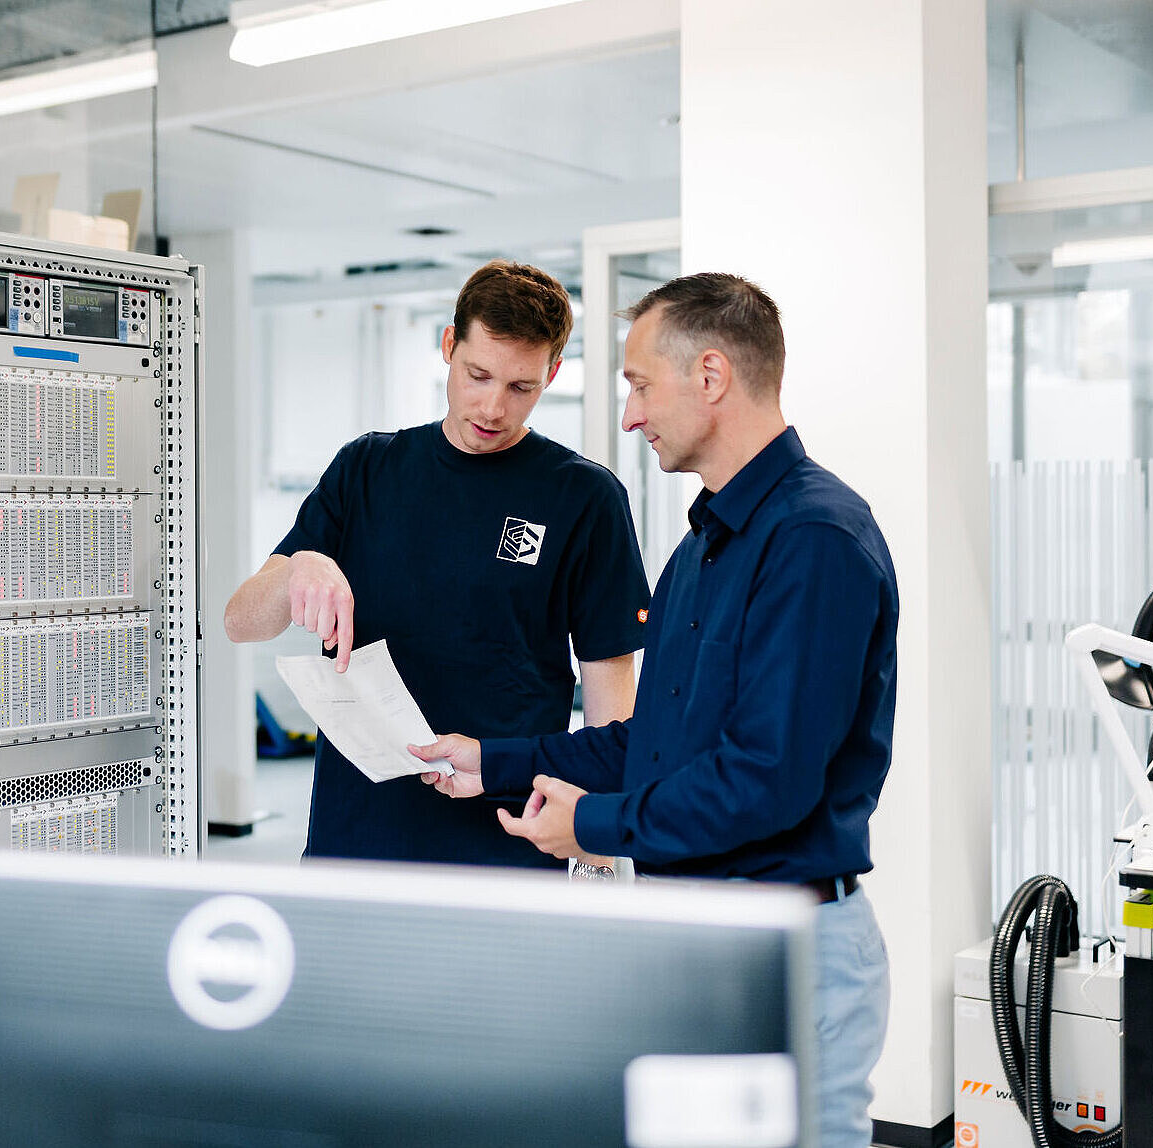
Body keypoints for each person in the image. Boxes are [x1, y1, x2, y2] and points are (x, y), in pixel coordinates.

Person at [410, 272, 896, 1147]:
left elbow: (766, 780)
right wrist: (497, 761)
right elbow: (654, 741)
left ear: (709, 375)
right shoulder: (704, 546)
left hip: (790, 946)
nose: (629, 416)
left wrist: (595, 825)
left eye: (637, 385)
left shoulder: (812, 540)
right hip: (711, 940)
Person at [223, 260, 649, 869]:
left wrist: (598, 843)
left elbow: (612, 696)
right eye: (478, 375)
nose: (494, 407)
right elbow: (241, 622)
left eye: (521, 387)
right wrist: (297, 570)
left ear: (552, 373)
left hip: (508, 843)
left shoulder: (584, 498)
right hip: (358, 838)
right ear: (449, 347)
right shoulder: (366, 470)